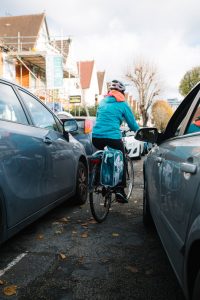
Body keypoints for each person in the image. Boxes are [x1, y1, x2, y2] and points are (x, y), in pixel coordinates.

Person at [92, 79, 140, 203]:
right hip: (112, 137)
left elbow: (98, 119)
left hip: (96, 137)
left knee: (104, 156)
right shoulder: (123, 104)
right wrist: (139, 132)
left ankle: (97, 179)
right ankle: (119, 190)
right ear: (122, 92)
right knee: (121, 159)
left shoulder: (102, 102)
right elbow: (132, 123)